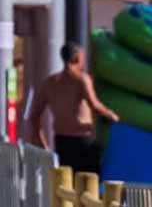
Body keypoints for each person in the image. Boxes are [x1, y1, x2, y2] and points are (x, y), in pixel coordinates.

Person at [28, 43, 118, 175]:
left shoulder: (49, 83)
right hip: (83, 142)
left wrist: (43, 145)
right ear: (77, 58)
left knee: (67, 184)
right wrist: (112, 115)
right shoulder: (81, 80)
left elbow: (33, 117)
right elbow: (95, 105)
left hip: (61, 142)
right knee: (89, 185)